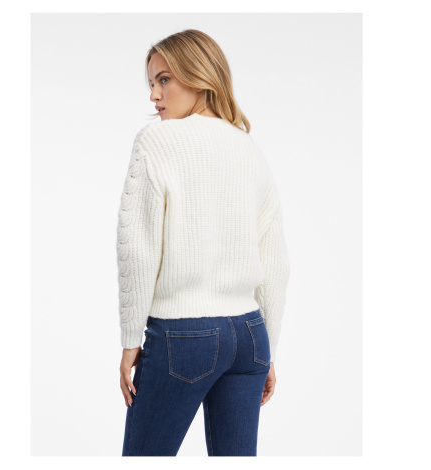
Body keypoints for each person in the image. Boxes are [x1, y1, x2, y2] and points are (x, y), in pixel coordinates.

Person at [117, 29, 290, 456]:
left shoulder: (156, 142)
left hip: (183, 335)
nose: (154, 96)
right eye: (151, 83)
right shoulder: (248, 148)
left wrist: (130, 340)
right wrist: (268, 349)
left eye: (164, 80)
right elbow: (275, 261)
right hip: (250, 337)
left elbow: (138, 250)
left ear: (200, 76)